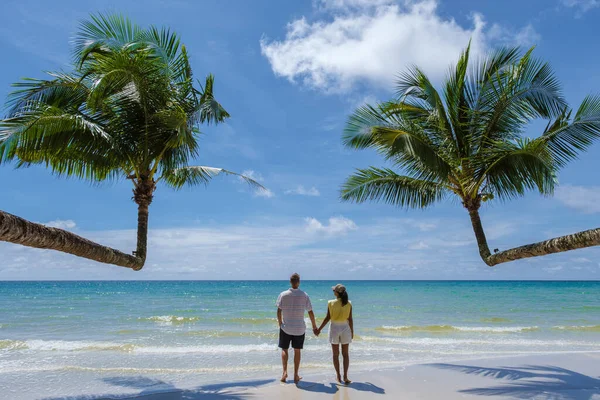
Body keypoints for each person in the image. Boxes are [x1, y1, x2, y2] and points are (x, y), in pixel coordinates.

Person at [276, 273, 318, 384]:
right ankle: (295, 375)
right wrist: (314, 326)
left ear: (290, 282)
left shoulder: (283, 294)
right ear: (298, 282)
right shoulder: (304, 295)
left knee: (284, 349)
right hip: (299, 328)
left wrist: (280, 323)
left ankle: (284, 372)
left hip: (286, 327)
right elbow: (310, 312)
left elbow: (279, 310)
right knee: (297, 351)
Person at [316, 283, 353, 384]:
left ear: (337, 293)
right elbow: (350, 319)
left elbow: (327, 318)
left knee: (335, 355)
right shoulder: (349, 303)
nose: (333, 292)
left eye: (334, 291)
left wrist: (319, 329)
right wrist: (352, 332)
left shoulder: (330, 303)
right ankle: (345, 376)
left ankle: (338, 376)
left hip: (334, 329)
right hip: (345, 328)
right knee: (345, 354)